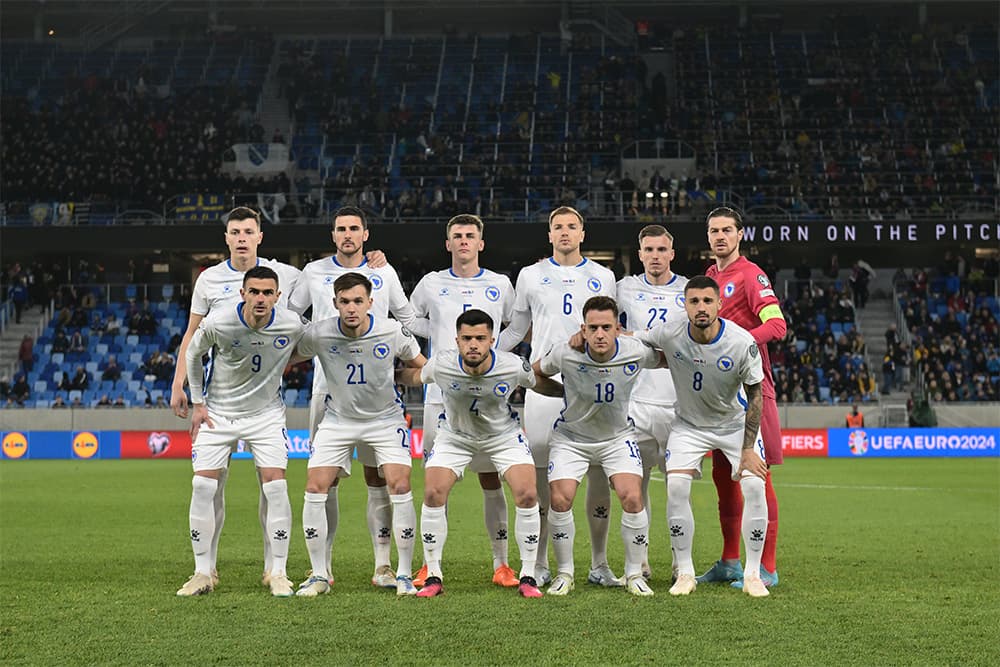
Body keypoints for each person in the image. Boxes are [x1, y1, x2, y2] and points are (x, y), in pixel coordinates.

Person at [170, 206, 301, 590]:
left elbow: (328, 301)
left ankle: (276, 570)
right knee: (206, 486)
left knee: (273, 484)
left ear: (260, 236)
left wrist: (284, 356)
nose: (241, 237)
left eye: (248, 231)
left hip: (264, 408)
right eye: (234, 231)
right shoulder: (210, 280)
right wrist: (184, 388)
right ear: (226, 238)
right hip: (218, 405)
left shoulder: (288, 276)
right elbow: (193, 340)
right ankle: (204, 570)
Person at [287, 205, 415, 589]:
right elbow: (293, 318)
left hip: (375, 393)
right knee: (325, 481)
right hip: (326, 389)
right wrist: (323, 342)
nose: (347, 234)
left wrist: (390, 358)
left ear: (365, 234)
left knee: (378, 477)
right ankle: (322, 568)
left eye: (354, 228)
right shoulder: (313, 272)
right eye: (340, 228)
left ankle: (383, 566)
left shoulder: (383, 271)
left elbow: (405, 319)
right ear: (333, 235)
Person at [496, 206, 619, 588]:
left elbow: (613, 330)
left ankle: (599, 563)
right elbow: (517, 328)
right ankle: (540, 561)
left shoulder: (603, 276)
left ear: (582, 233)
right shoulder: (531, 275)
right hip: (544, 388)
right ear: (549, 235)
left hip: (593, 387)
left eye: (571, 227)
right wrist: (488, 359)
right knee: (540, 474)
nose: (564, 232)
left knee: (597, 472)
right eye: (557, 227)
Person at [634, 276, 770, 598]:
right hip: (689, 425)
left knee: (753, 484)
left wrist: (749, 449)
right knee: (676, 486)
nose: (701, 308)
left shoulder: (741, 341)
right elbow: (636, 339)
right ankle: (684, 572)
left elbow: (756, 395)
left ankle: (753, 574)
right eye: (694, 301)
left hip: (734, 424)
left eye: (707, 301)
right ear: (685, 305)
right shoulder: (670, 331)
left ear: (719, 305)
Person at [396, 309, 543, 598]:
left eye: (480, 338)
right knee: (433, 492)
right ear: (457, 340)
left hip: (503, 436)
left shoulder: (513, 366)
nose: (473, 344)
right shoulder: (442, 364)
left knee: (527, 493)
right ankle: (433, 574)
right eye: (466, 338)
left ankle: (528, 575)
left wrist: (569, 391)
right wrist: (387, 375)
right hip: (455, 437)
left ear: (491, 340)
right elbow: (416, 376)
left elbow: (539, 382)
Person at [407, 214, 520, 588]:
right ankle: (430, 564)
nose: (464, 241)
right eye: (457, 236)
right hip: (442, 396)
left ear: (481, 243)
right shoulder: (431, 283)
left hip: (487, 396)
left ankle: (501, 564)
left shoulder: (500, 284)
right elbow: (411, 320)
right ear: (448, 243)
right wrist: (442, 342)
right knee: (436, 483)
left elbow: (515, 327)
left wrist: (495, 359)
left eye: (471, 236)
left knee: (491, 479)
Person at [532, 296, 661, 597]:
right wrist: (563, 393)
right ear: (583, 329)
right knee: (560, 500)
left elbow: (668, 358)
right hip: (572, 438)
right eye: (593, 328)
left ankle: (633, 574)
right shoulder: (566, 353)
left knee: (632, 497)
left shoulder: (635, 351)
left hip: (617, 438)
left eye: (606, 327)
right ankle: (565, 573)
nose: (600, 334)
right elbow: (534, 374)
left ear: (618, 328)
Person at [702, 207, 786, 590]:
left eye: (726, 230)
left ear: (739, 235)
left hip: (752, 387)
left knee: (755, 475)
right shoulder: (710, 277)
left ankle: (766, 567)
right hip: (718, 393)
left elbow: (777, 325)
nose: (720, 236)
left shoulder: (751, 276)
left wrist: (739, 342)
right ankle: (730, 561)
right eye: (713, 231)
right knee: (724, 477)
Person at [615, 224, 688, 580]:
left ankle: (680, 564)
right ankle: (640, 563)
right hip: (637, 401)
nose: (655, 256)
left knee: (678, 488)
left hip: (679, 404)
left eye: (662, 250)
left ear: (672, 253)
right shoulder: (624, 288)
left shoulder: (689, 290)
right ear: (639, 253)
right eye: (649, 250)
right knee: (635, 487)